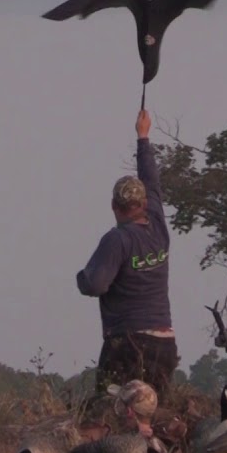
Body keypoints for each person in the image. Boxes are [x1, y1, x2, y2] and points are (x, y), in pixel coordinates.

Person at [76, 108, 179, 399]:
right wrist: (143, 136)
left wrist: (81, 279)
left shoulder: (117, 240)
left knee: (110, 415)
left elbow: (96, 285)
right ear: (144, 202)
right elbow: (151, 178)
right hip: (164, 343)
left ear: (113, 206)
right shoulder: (157, 224)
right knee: (153, 416)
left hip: (129, 344)